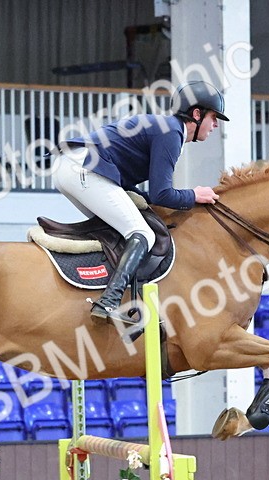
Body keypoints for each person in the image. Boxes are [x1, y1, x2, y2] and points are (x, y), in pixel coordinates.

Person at [53, 81, 226, 323]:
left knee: (121, 228)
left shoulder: (166, 128)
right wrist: (194, 195)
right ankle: (109, 301)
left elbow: (142, 191)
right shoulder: (172, 132)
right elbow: (162, 195)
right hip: (84, 168)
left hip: (73, 167)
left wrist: (144, 200)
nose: (216, 124)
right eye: (213, 117)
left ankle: (104, 290)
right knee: (143, 233)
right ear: (196, 114)